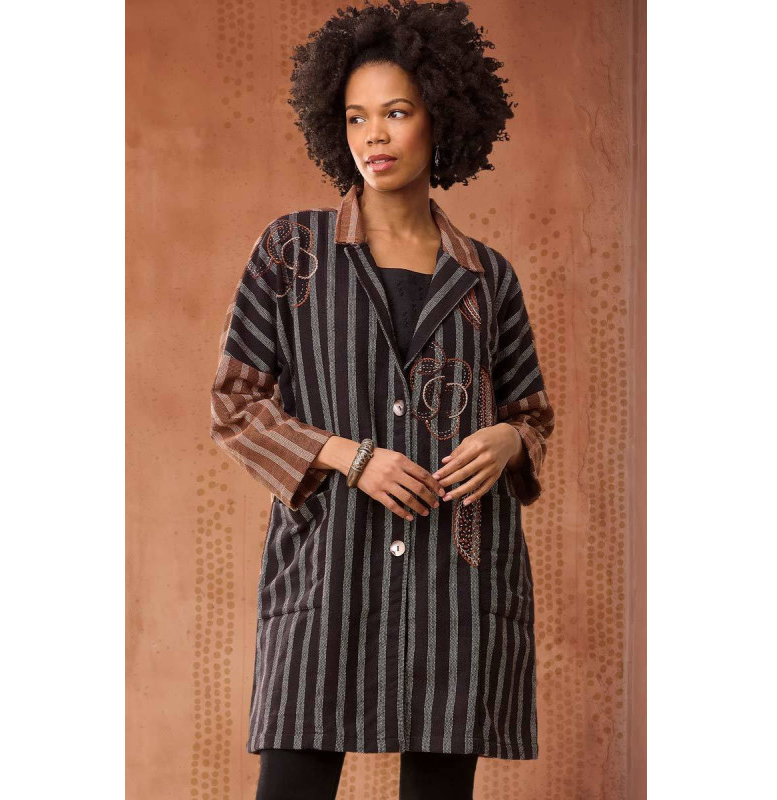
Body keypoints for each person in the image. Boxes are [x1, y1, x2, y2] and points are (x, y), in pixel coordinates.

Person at [209, 1, 556, 797]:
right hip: (329, 569)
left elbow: (530, 413)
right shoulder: (291, 251)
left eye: (396, 113)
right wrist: (349, 458)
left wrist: (508, 441)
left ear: (442, 115)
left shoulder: (487, 277)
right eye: (356, 117)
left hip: (454, 585)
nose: (374, 136)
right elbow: (237, 404)